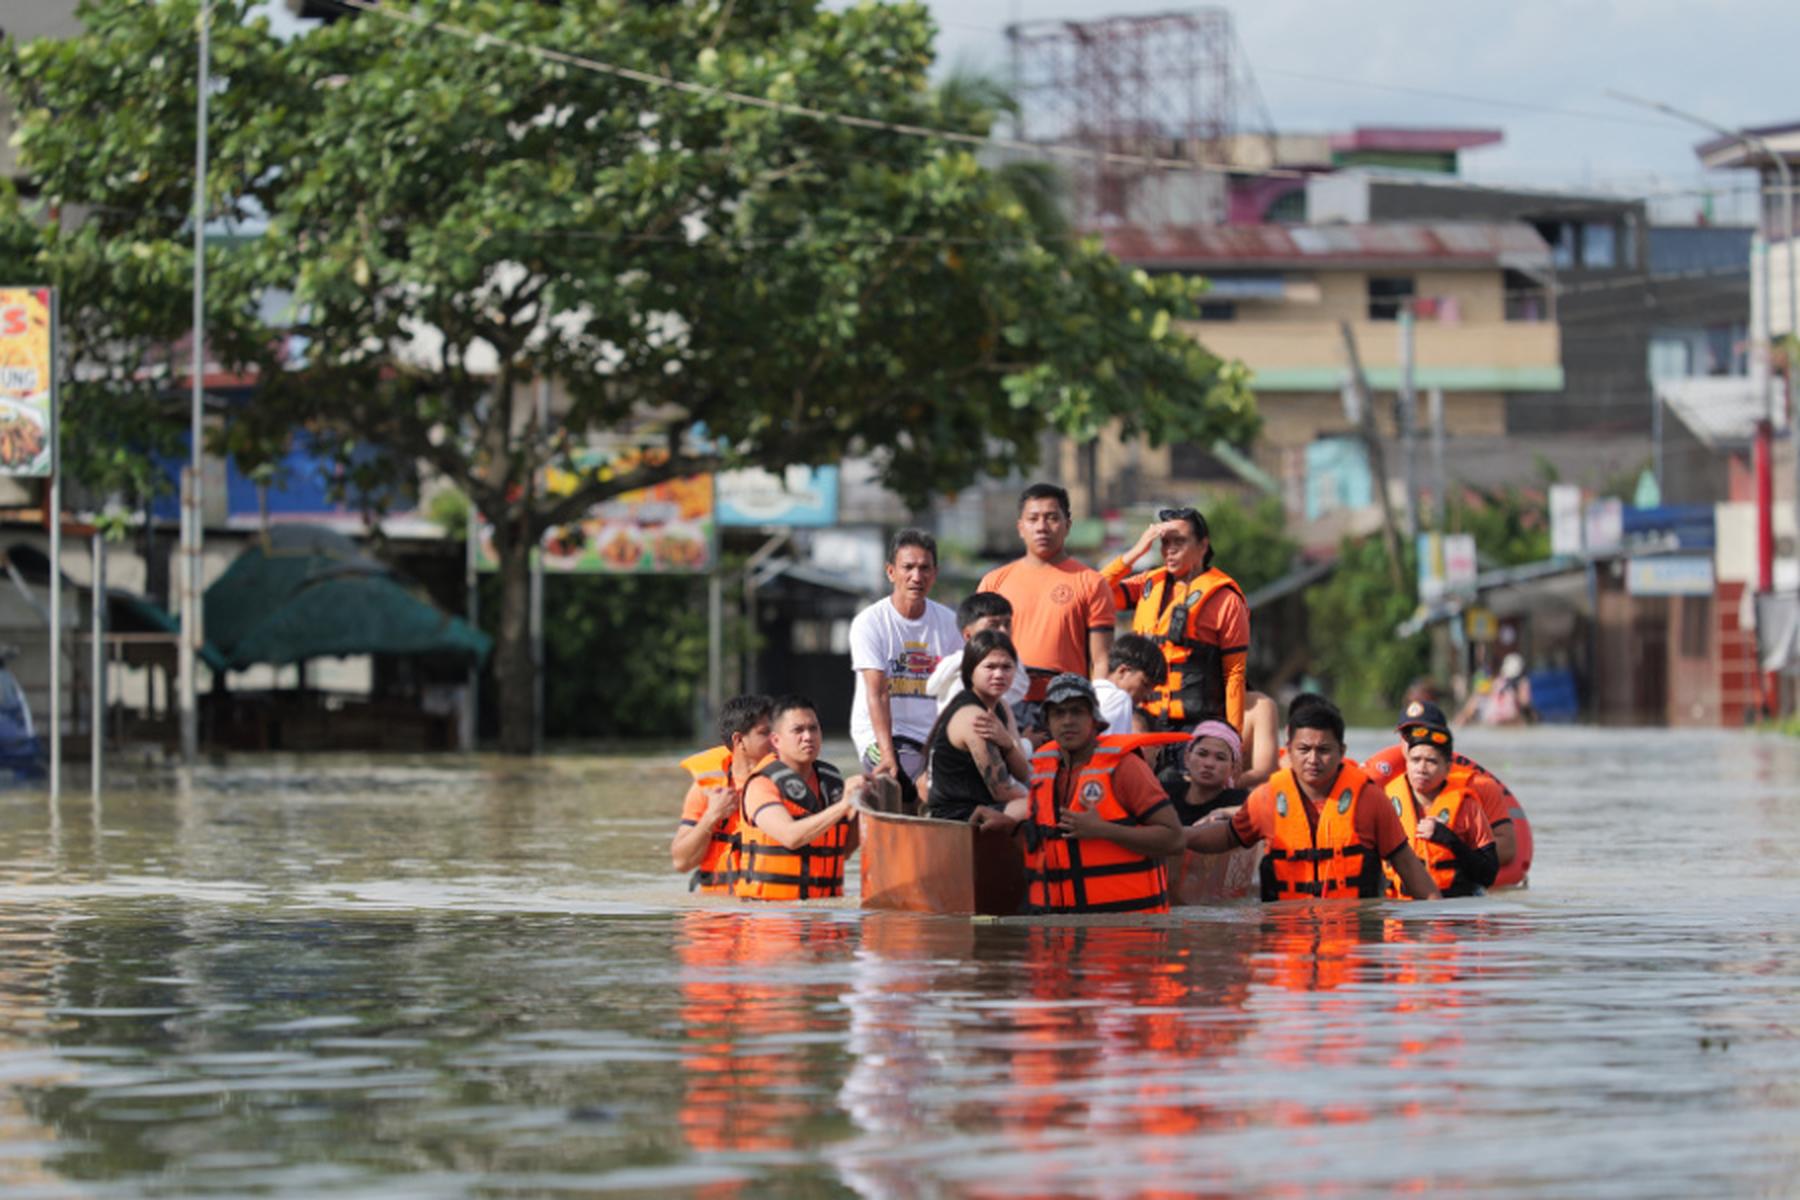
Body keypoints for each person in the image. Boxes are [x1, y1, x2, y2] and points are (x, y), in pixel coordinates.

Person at [1184, 693, 1441, 902]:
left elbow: (1407, 864)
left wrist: (1438, 925)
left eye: (1324, 750)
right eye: (1304, 749)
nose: (1313, 760)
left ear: (1342, 751)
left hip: (1353, 943)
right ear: (1289, 751)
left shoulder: (1370, 800)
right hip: (1287, 943)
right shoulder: (1267, 798)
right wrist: (1179, 836)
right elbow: (1229, 836)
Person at [972, 673, 1184, 915]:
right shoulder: (1045, 771)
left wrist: (1103, 830)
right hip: (1064, 931)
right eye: (1058, 713)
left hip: (1128, 933)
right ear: (1048, 723)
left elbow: (1175, 840)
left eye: (1077, 711)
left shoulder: (1126, 767)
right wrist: (1010, 826)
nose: (1067, 721)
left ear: (1094, 720)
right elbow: (1049, 841)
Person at [1100, 505, 1250, 734]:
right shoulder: (1147, 583)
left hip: (1195, 725)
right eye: (1165, 542)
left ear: (1203, 546)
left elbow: (1234, 674)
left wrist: (1233, 736)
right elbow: (1094, 592)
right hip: (1143, 720)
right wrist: (1136, 552)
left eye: (1178, 542)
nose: (1169, 550)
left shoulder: (1226, 600)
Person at [849, 528, 963, 805]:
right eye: (908, 567)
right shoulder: (870, 622)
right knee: (918, 787)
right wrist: (888, 756)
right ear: (891, 572)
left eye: (924, 568)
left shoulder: (949, 623)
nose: (916, 576)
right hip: (885, 734)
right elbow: (877, 693)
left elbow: (960, 688)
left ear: (934, 574)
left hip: (933, 735)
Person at [1365, 682, 1521, 872]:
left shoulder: (1479, 787)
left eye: (1423, 733)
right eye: (1408, 735)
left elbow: (1507, 849)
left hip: (1454, 889)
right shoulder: (1382, 787)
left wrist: (1452, 841)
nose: (1416, 741)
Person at [978, 482, 1116, 692]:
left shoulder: (1092, 583)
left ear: (1067, 525)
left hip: (1064, 708)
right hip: (1008, 704)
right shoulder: (994, 583)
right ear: (1020, 528)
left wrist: (1096, 709)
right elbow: (979, 653)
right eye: (1033, 519)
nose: (1041, 527)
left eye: (1051, 518)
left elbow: (1101, 660)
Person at [737, 695, 866, 902]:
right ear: (776, 740)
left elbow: (844, 851)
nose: (808, 737)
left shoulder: (831, 781)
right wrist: (844, 805)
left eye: (813, 729)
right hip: (770, 918)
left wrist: (864, 806)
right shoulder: (761, 785)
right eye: (798, 730)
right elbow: (791, 836)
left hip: (824, 915)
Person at [1382, 702, 1497, 898]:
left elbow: (1488, 874)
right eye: (1415, 760)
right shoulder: (1386, 801)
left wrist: (1449, 839)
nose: (1422, 768)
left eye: (1432, 761)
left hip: (1452, 913)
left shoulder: (1467, 805)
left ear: (1447, 767)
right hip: (1401, 912)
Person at [924, 630, 1032, 823]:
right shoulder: (974, 718)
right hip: (957, 819)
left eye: (1007, 667)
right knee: (1043, 807)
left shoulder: (1002, 706)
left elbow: (1023, 772)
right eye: (990, 667)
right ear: (970, 670)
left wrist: (1008, 744)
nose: (999, 674)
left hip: (988, 807)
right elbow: (1002, 791)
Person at [670, 694, 774, 895]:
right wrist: (712, 815)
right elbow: (681, 862)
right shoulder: (707, 789)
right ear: (738, 740)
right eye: (765, 733)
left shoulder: (788, 784)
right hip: (715, 915)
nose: (775, 740)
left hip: (768, 911)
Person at [925, 592, 1029, 714]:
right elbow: (931, 688)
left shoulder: (1013, 661)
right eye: (993, 625)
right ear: (968, 635)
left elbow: (1020, 688)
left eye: (1007, 624)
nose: (1003, 631)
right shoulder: (957, 668)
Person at [1172, 719, 1249, 826]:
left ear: (1233, 768)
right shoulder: (1163, 795)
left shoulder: (1242, 803)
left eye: (1220, 758)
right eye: (1202, 754)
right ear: (1187, 758)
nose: (1209, 764)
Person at [1093, 632, 1166, 737]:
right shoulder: (1119, 698)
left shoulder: (1089, 692)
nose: (1147, 696)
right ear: (1122, 671)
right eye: (1145, 684)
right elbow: (1108, 749)